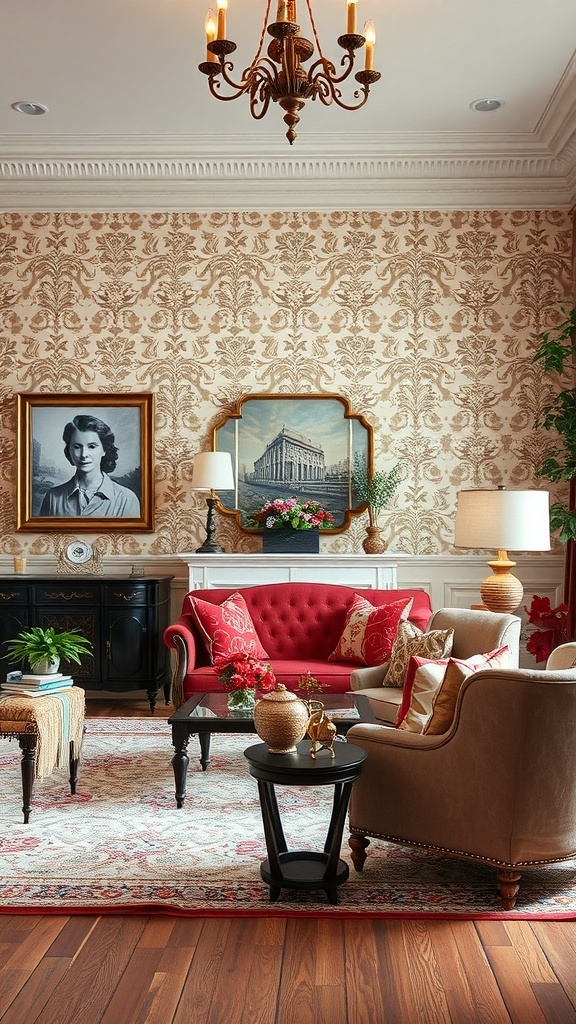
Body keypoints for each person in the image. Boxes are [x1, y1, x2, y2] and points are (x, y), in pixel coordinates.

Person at [38, 414, 141, 517]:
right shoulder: (52, 497)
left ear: (104, 450)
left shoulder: (127, 499)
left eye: (92, 446)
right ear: (69, 450)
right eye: (77, 447)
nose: (83, 455)